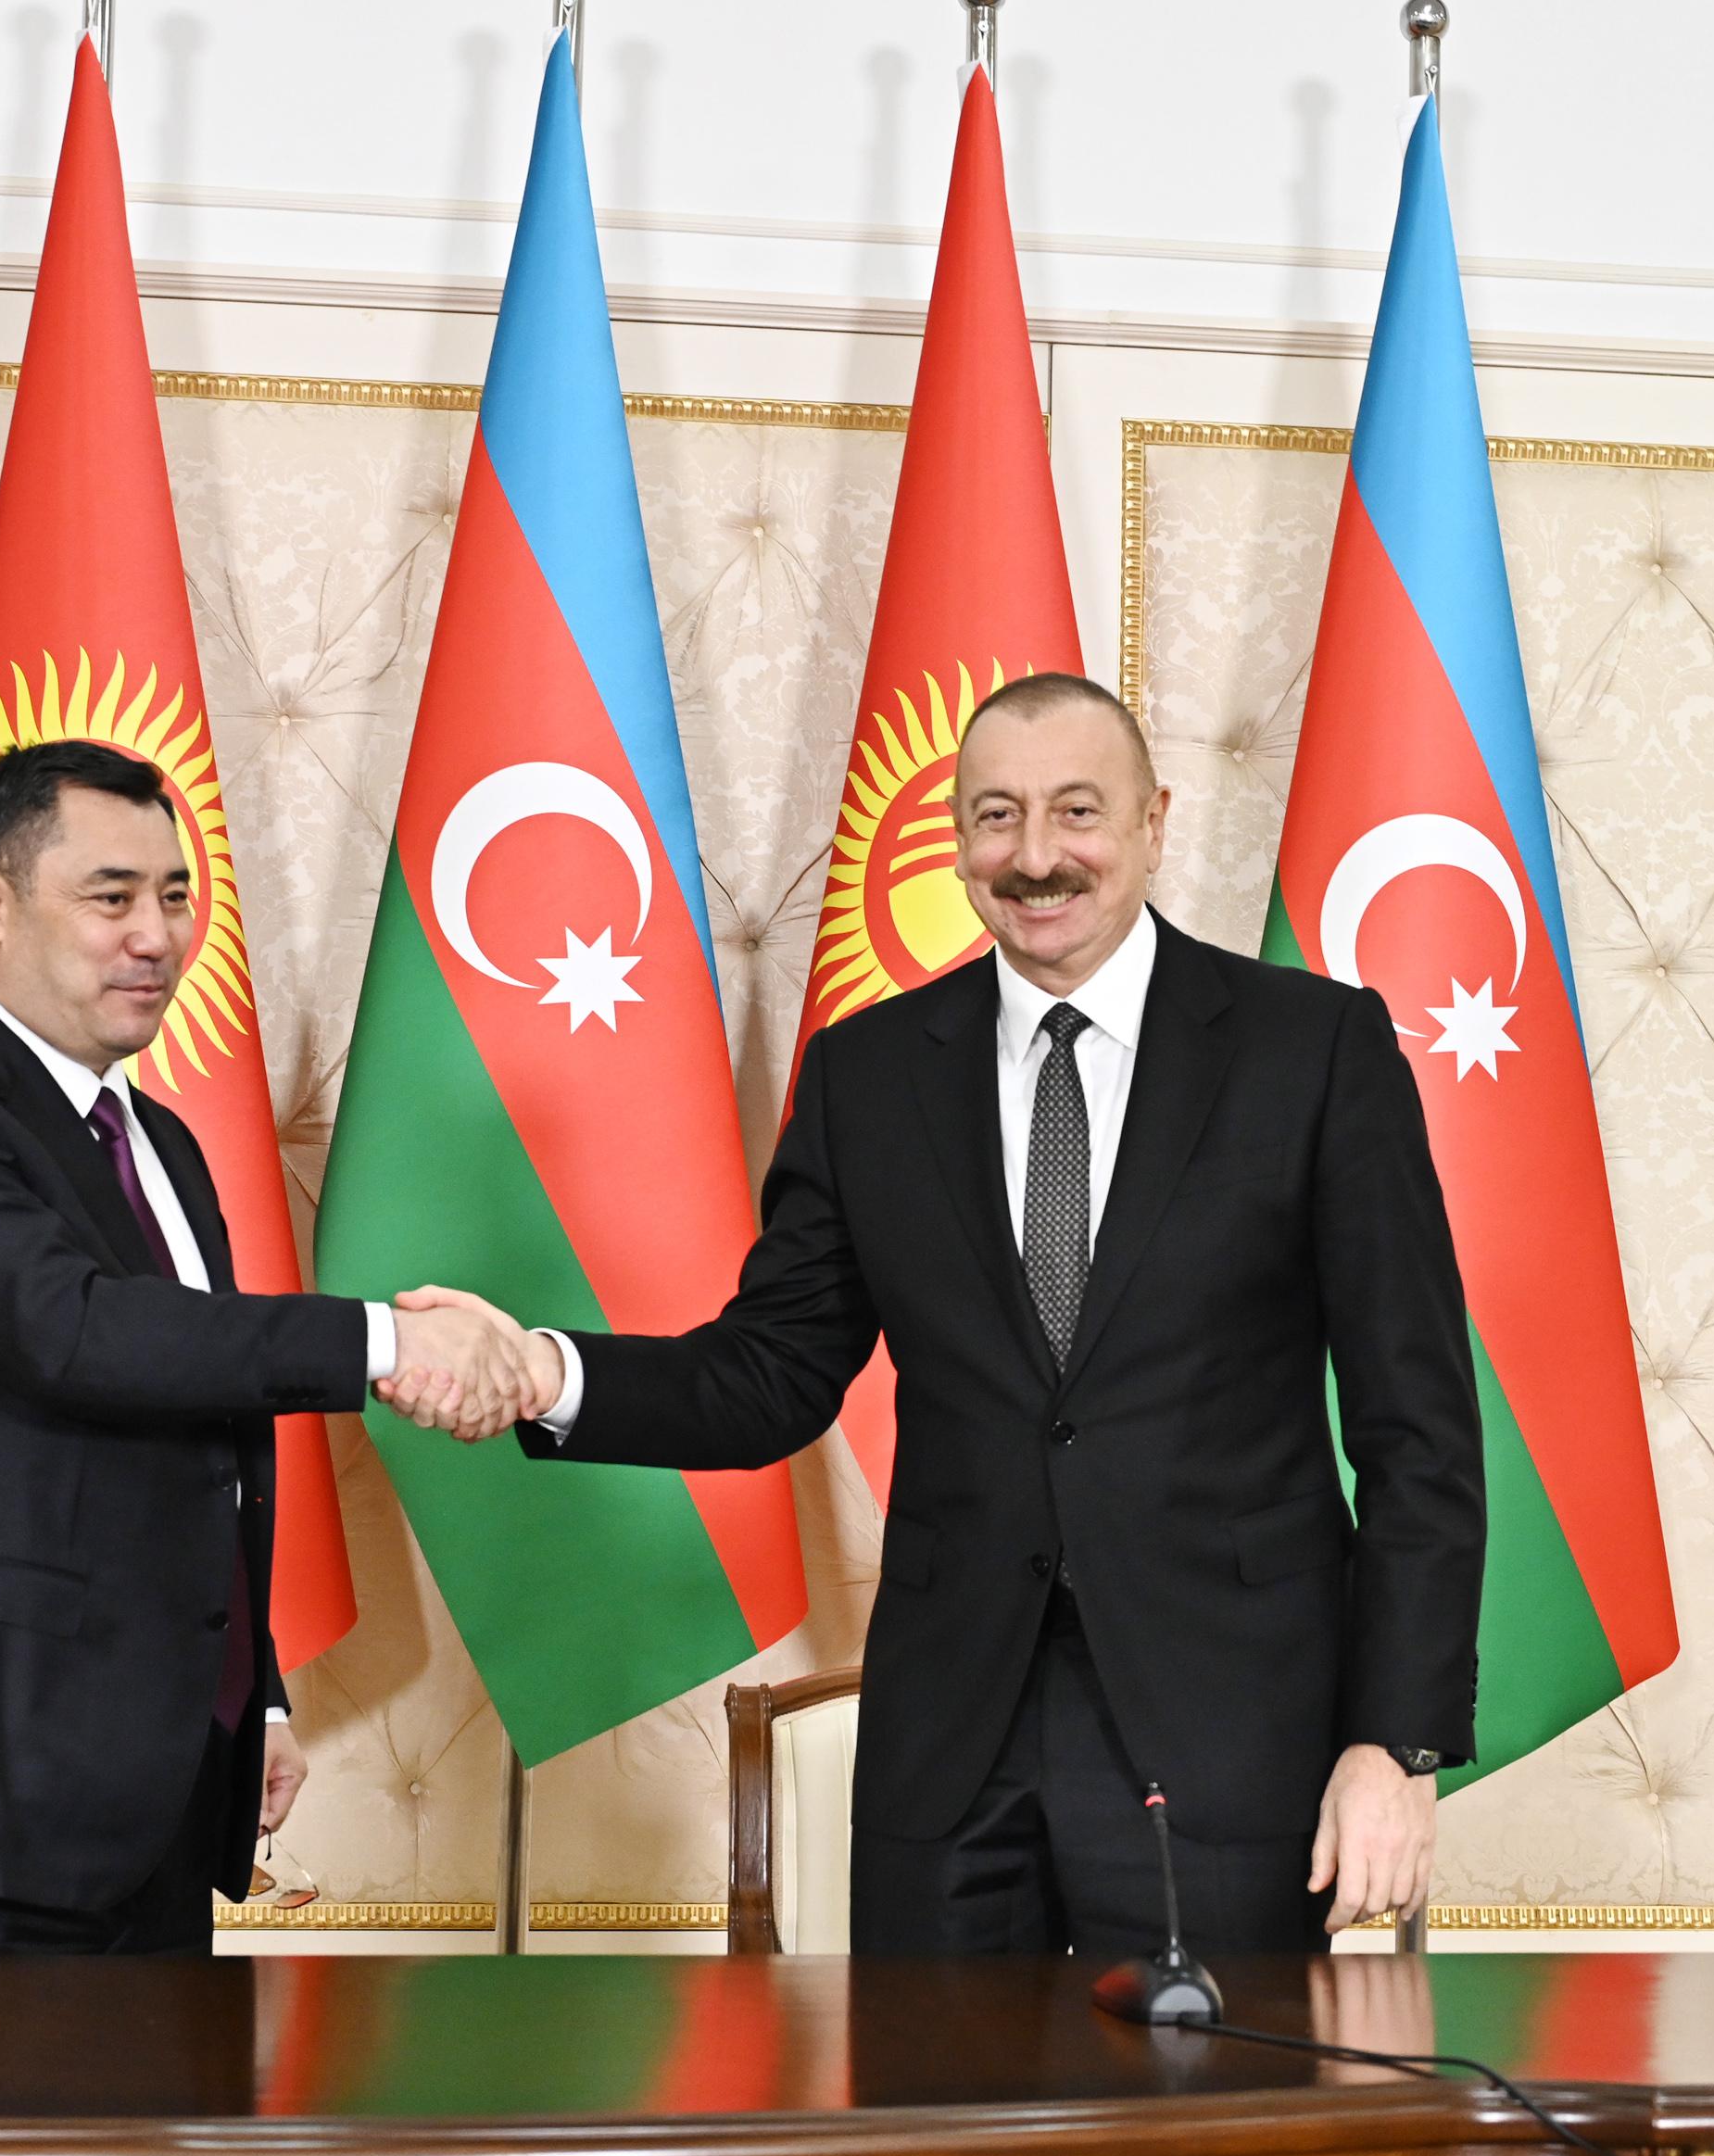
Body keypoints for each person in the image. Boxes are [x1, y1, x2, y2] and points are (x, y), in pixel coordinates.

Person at [407, 672, 1484, 1959]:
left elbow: (1419, 1429)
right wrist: (545, 1372)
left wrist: (1394, 1742)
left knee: (1208, 2092)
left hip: (1230, 1736)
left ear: (1154, 822)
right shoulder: (867, 1075)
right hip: (952, 1747)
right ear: (960, 840)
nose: (1036, 856)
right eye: (996, 815)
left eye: (1078, 810)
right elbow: (770, 1373)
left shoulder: (1313, 1050)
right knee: (932, 2091)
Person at [0, 739, 530, 1956]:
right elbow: (77, 1332)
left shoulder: (163, 1145)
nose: (157, 936)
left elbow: (194, 1435)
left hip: (159, 1800)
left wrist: (249, 1690)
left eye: (176, 896)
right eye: (112, 896)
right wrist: (388, 1339)